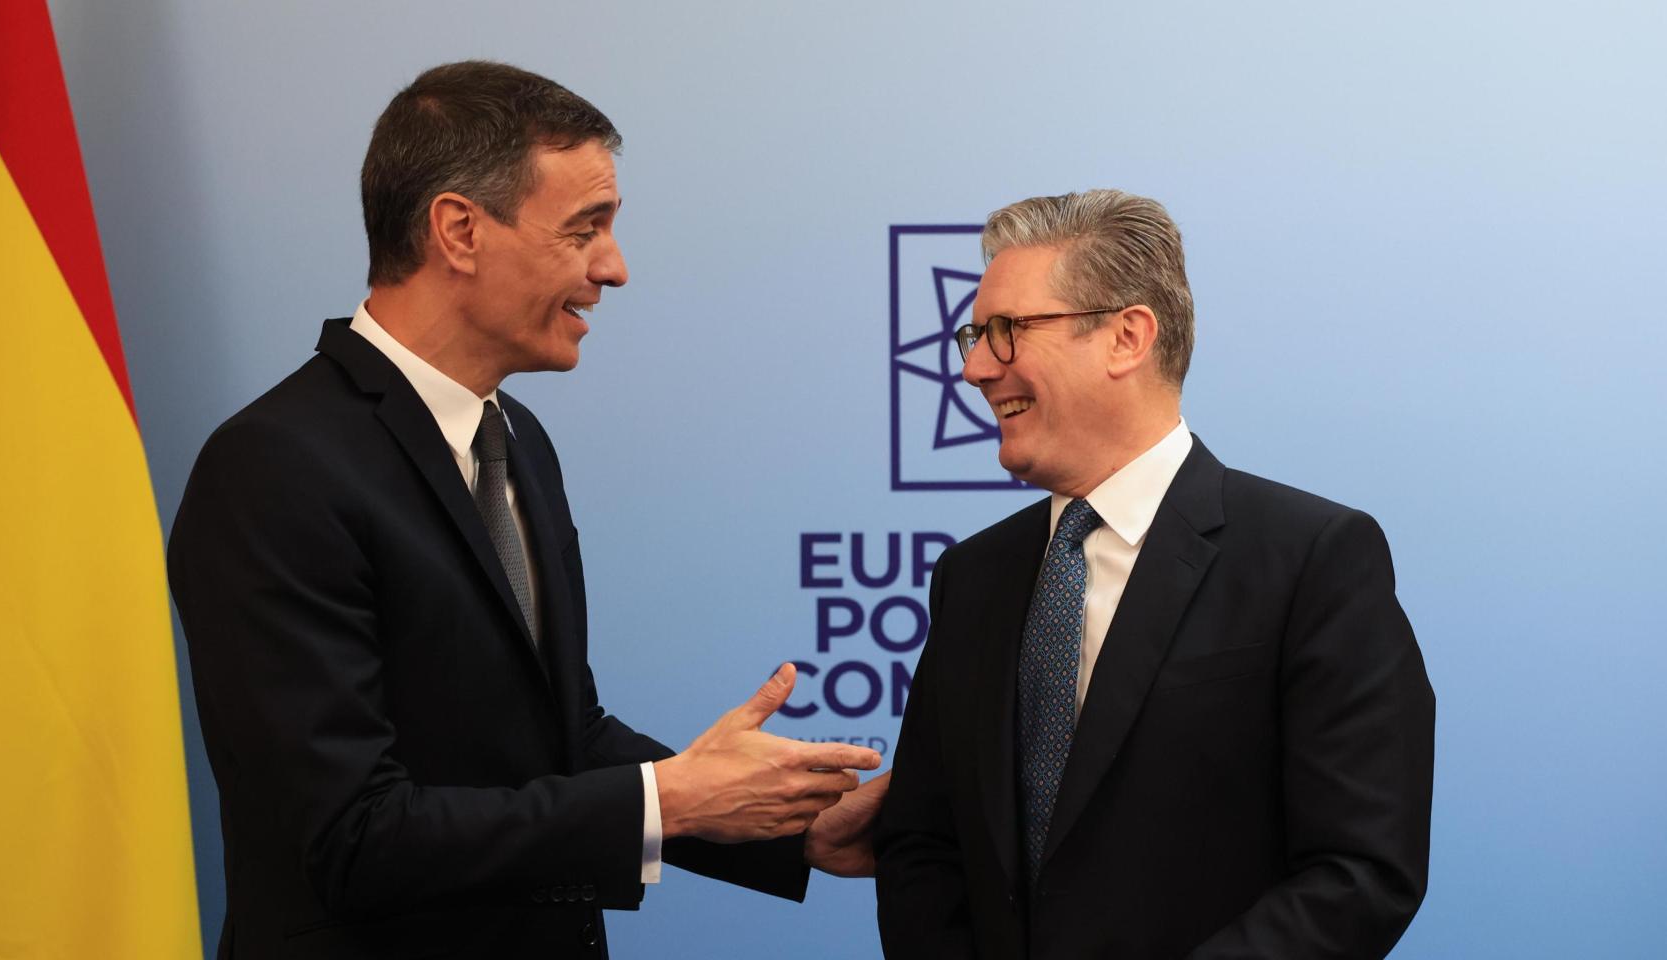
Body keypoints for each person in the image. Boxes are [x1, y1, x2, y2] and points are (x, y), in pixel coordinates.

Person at [167, 61, 884, 960]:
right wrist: (672, 798)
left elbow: (559, 738)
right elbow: (352, 836)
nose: (613, 268)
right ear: (459, 230)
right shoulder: (274, 467)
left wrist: (792, 823)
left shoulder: (518, 443)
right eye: (585, 229)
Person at [874, 189, 1433, 959]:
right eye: (974, 335)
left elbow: (1360, 872)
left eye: (1005, 332)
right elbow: (923, 846)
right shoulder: (973, 577)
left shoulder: (1313, 558)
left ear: (1127, 337)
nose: (974, 368)